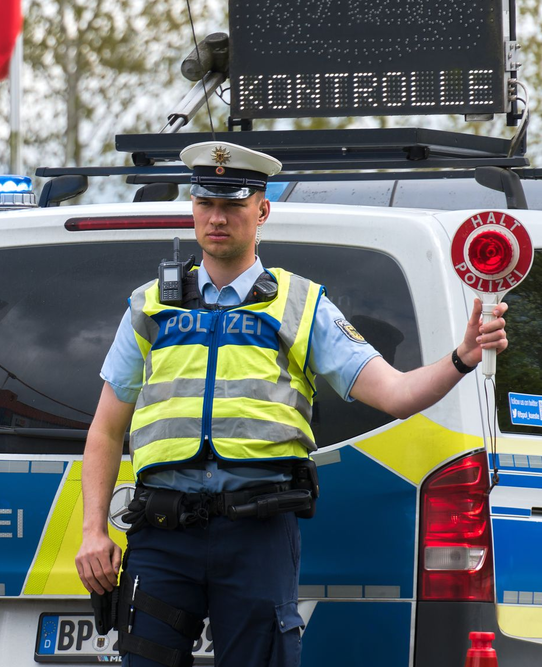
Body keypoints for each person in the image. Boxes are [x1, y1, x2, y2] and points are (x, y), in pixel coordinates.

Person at [73, 142, 509, 667]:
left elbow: (396, 395)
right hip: (162, 534)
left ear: (262, 210)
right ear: (193, 207)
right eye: (206, 203)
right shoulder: (149, 306)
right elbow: (105, 430)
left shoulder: (301, 305)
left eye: (233, 204)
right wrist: (92, 531)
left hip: (256, 536)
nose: (217, 218)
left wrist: (462, 357)